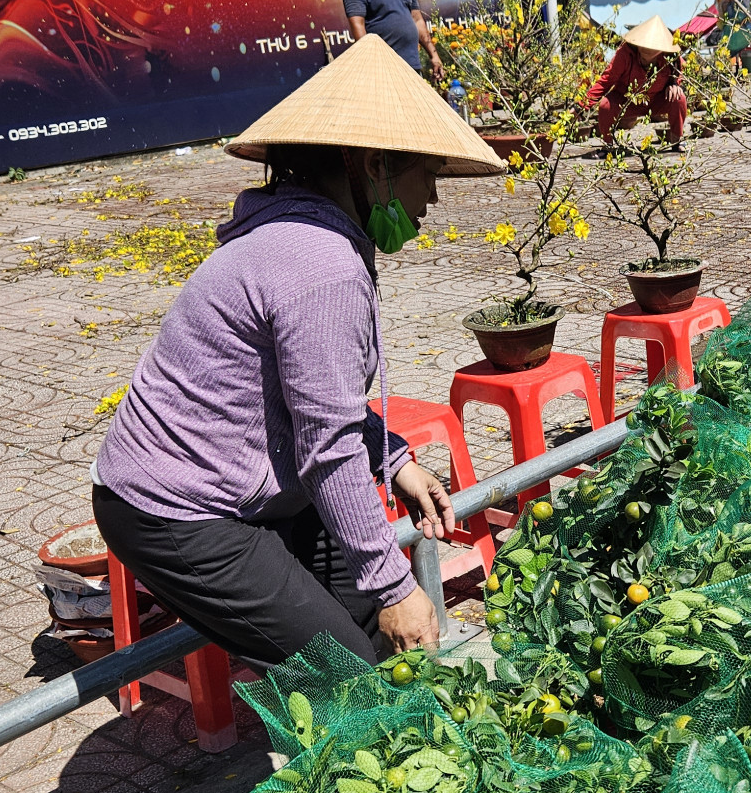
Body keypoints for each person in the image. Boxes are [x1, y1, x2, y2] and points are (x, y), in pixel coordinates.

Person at [92, 35, 502, 666]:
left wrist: (392, 460)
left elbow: (320, 406)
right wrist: (395, 586)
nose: (434, 197)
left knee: (372, 629)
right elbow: (327, 446)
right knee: (344, 670)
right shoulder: (320, 265)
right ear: (375, 165)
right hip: (175, 508)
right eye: (428, 172)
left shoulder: (313, 235)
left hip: (250, 480)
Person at [588, 16, 686, 145]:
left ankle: (677, 141)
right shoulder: (624, 53)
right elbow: (606, 80)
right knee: (605, 105)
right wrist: (580, 106)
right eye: (644, 44)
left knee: (679, 98)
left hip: (656, 100)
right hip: (627, 101)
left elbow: (679, 70)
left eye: (653, 46)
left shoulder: (670, 57)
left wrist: (674, 83)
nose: (647, 49)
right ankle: (608, 146)